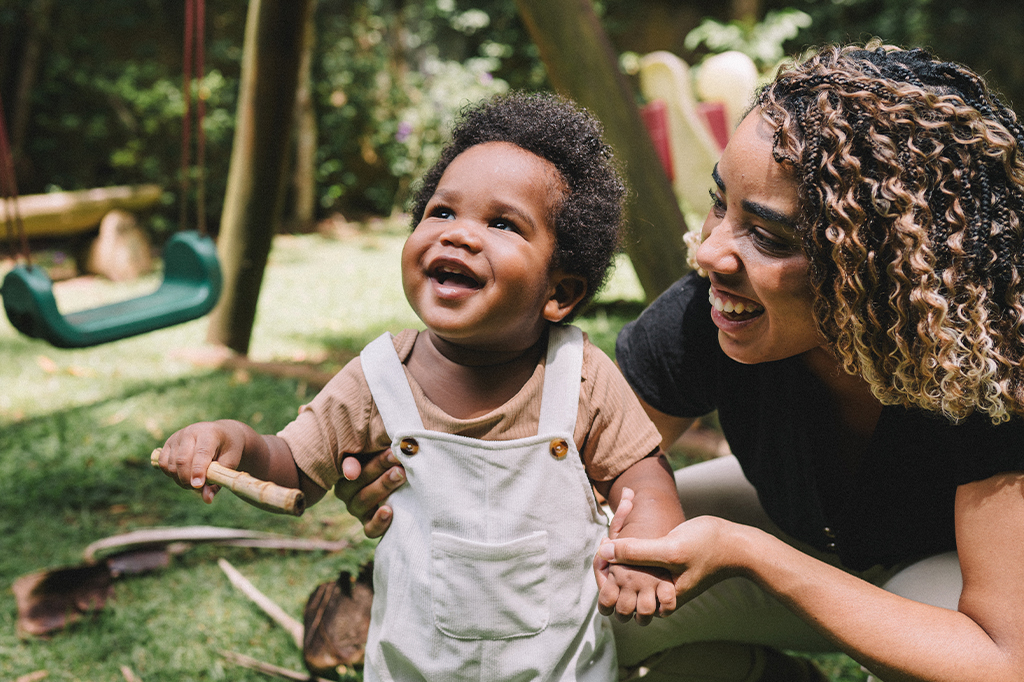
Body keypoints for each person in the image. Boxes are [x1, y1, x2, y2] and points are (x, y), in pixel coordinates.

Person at [340, 45, 1024, 682]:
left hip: (955, 584)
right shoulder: (708, 312)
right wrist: (427, 476)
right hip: (812, 526)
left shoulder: (991, 367)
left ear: (877, 267)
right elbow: (551, 468)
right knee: (570, 582)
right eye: (718, 203)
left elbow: (1001, 657)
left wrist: (753, 555)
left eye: (766, 235)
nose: (710, 253)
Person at [156, 91, 685, 682]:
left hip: (561, 669)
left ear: (559, 292)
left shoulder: (580, 376)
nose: (458, 235)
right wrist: (235, 442)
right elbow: (291, 465)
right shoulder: (378, 378)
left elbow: (643, 472)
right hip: (415, 667)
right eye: (442, 212)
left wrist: (648, 546)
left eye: (502, 223)